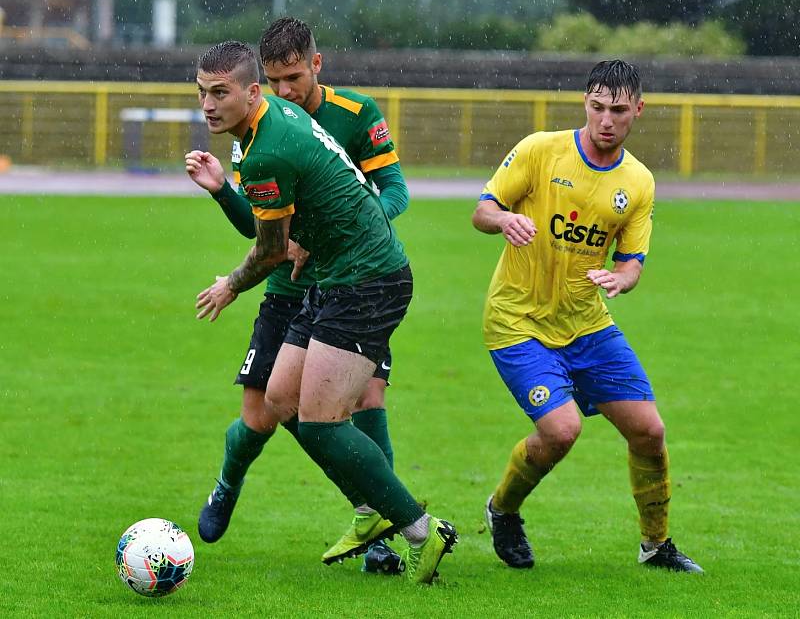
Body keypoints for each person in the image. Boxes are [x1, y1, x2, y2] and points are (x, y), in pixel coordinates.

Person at [185, 40, 457, 583]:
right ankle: (369, 511)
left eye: (220, 93)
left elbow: (268, 251)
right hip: (330, 282)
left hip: (368, 283)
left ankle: (421, 529)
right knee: (282, 402)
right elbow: (275, 232)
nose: (209, 105)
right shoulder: (268, 123)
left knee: (324, 419)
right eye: (202, 93)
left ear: (250, 92)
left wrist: (229, 287)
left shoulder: (267, 150)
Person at [472, 59, 703, 574]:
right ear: (585, 102)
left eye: (618, 110)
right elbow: (482, 209)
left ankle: (656, 545)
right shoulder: (539, 149)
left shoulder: (638, 181)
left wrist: (622, 279)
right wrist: (504, 219)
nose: (605, 120)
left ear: (637, 110)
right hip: (518, 322)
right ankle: (503, 509)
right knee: (561, 431)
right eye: (597, 107)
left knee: (649, 431)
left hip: (587, 324)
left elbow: (632, 262)